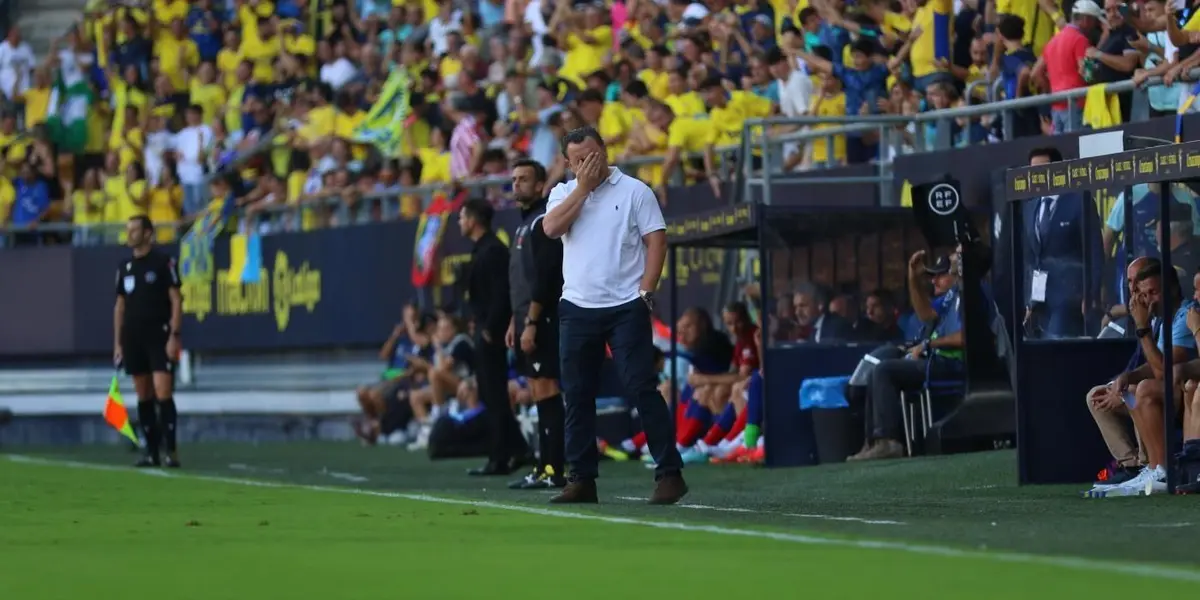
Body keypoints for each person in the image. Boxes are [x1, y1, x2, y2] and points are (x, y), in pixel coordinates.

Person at [542, 126, 687, 505]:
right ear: (567, 163)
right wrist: (582, 188)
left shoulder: (636, 190)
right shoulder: (563, 192)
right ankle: (581, 479)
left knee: (641, 386)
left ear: (605, 150)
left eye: (592, 154)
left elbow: (657, 238)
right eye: (577, 159)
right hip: (577, 306)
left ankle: (670, 473)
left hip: (626, 305)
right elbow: (551, 227)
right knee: (576, 395)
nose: (587, 163)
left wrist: (646, 290)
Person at [504, 158, 568, 490]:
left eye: (524, 179)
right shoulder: (522, 224)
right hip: (525, 318)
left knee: (547, 388)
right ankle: (543, 465)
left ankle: (553, 467)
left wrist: (530, 321)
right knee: (537, 389)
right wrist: (515, 322)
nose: (517, 184)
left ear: (541, 185)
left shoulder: (544, 221)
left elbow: (545, 278)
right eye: (514, 179)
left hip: (541, 318)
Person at [461, 198, 531, 476]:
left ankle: (501, 455)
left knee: (495, 394)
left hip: (491, 333)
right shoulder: (484, 249)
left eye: (462, 217)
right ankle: (514, 448)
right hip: (484, 328)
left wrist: (491, 328)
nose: (459, 222)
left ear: (473, 220)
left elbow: (502, 294)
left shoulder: (492, 251)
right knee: (490, 395)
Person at [113, 216, 183, 468]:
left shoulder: (163, 262)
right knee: (143, 394)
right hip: (133, 337)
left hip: (159, 335)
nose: (130, 234)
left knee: (163, 391)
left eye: (135, 229)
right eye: (128, 229)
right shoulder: (124, 267)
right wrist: (118, 344)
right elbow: (119, 307)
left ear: (148, 234)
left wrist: (174, 335)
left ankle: (171, 450)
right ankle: (151, 451)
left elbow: (176, 299)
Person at [1022, 147, 1102, 339]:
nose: (1037, 175)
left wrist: (1091, 294)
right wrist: (1027, 298)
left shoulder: (1079, 201)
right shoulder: (1029, 206)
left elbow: (1095, 251)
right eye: (1033, 170)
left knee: (1059, 345)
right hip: (1038, 299)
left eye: (1042, 169)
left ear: (1057, 169)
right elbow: (1030, 256)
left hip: (1070, 296)